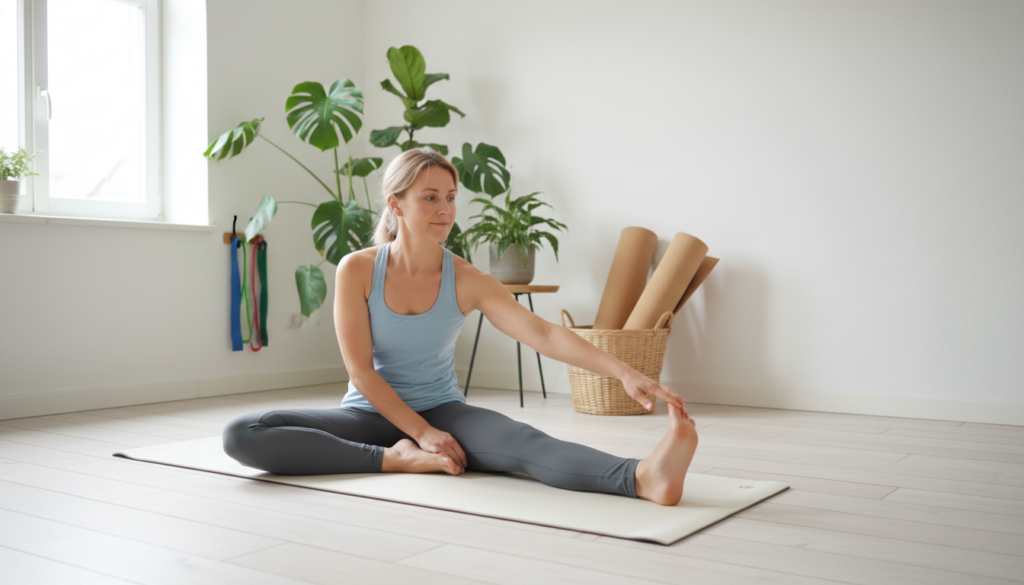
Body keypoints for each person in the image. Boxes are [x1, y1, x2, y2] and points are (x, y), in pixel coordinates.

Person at [223, 148, 699, 506]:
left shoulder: (469, 280)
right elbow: (363, 373)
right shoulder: (357, 269)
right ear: (396, 204)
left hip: (443, 409)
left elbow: (545, 335)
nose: (445, 209)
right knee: (243, 432)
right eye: (429, 198)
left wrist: (623, 372)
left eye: (450, 198)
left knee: (524, 442)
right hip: (367, 415)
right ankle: (396, 461)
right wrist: (417, 440)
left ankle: (642, 477)